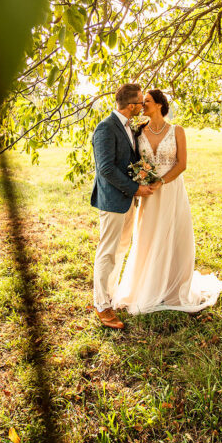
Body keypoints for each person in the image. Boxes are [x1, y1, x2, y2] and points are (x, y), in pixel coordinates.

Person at [112, 88, 222, 314]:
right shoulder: (138, 131)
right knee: (148, 235)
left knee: (173, 233)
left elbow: (182, 164)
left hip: (171, 189)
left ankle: (172, 287)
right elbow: (134, 161)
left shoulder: (177, 131)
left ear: (159, 104)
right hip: (148, 194)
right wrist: (140, 181)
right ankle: (148, 284)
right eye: (142, 101)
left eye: (146, 101)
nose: (142, 105)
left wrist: (161, 182)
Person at [91, 83, 153, 329]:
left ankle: (110, 295)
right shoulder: (106, 128)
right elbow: (105, 168)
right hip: (113, 200)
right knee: (107, 252)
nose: (142, 106)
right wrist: (136, 188)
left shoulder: (129, 127)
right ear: (131, 106)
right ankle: (101, 306)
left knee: (120, 249)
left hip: (127, 200)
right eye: (140, 102)